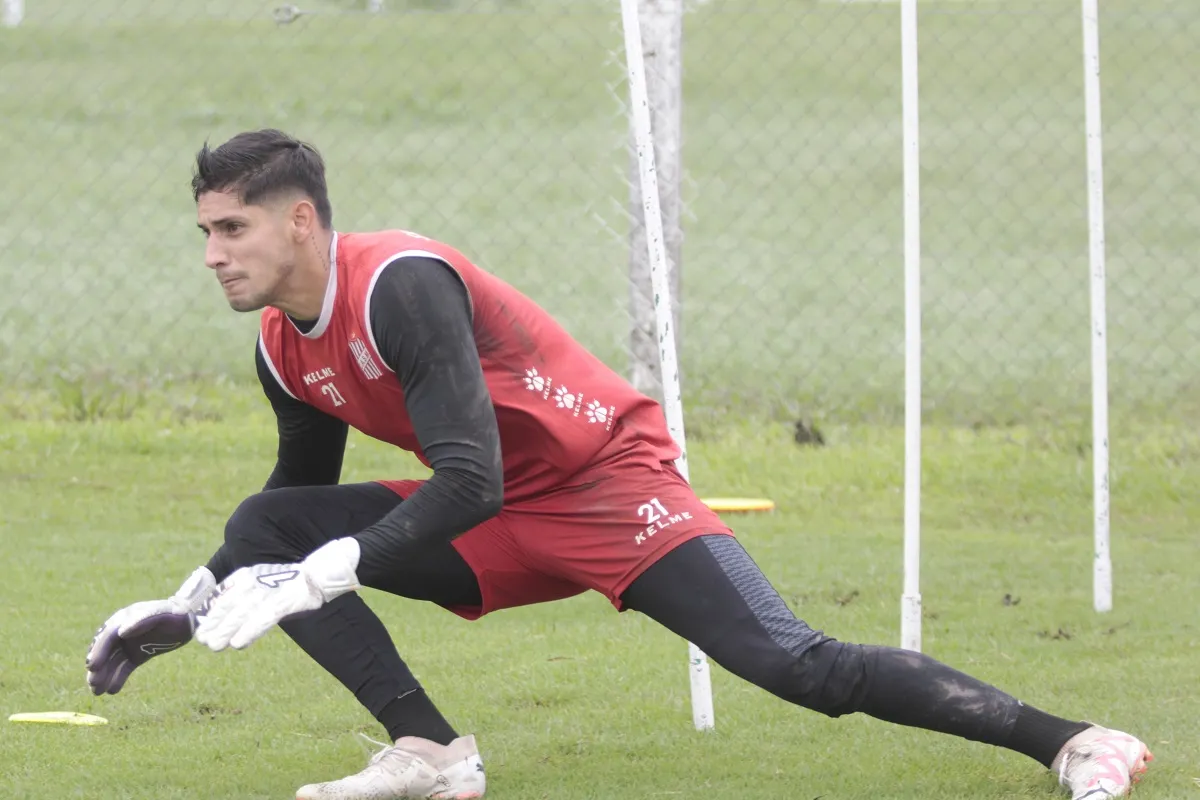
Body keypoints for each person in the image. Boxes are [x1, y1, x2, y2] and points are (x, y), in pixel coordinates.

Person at [85, 129, 1152, 800]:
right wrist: (195, 597)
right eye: (204, 232)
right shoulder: (281, 343)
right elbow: (290, 509)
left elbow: (468, 478)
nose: (214, 252)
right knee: (268, 531)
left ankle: (1077, 741)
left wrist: (319, 572)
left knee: (797, 664)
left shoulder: (401, 283)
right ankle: (432, 752)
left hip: (608, 485)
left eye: (232, 227)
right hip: (496, 508)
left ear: (302, 220)